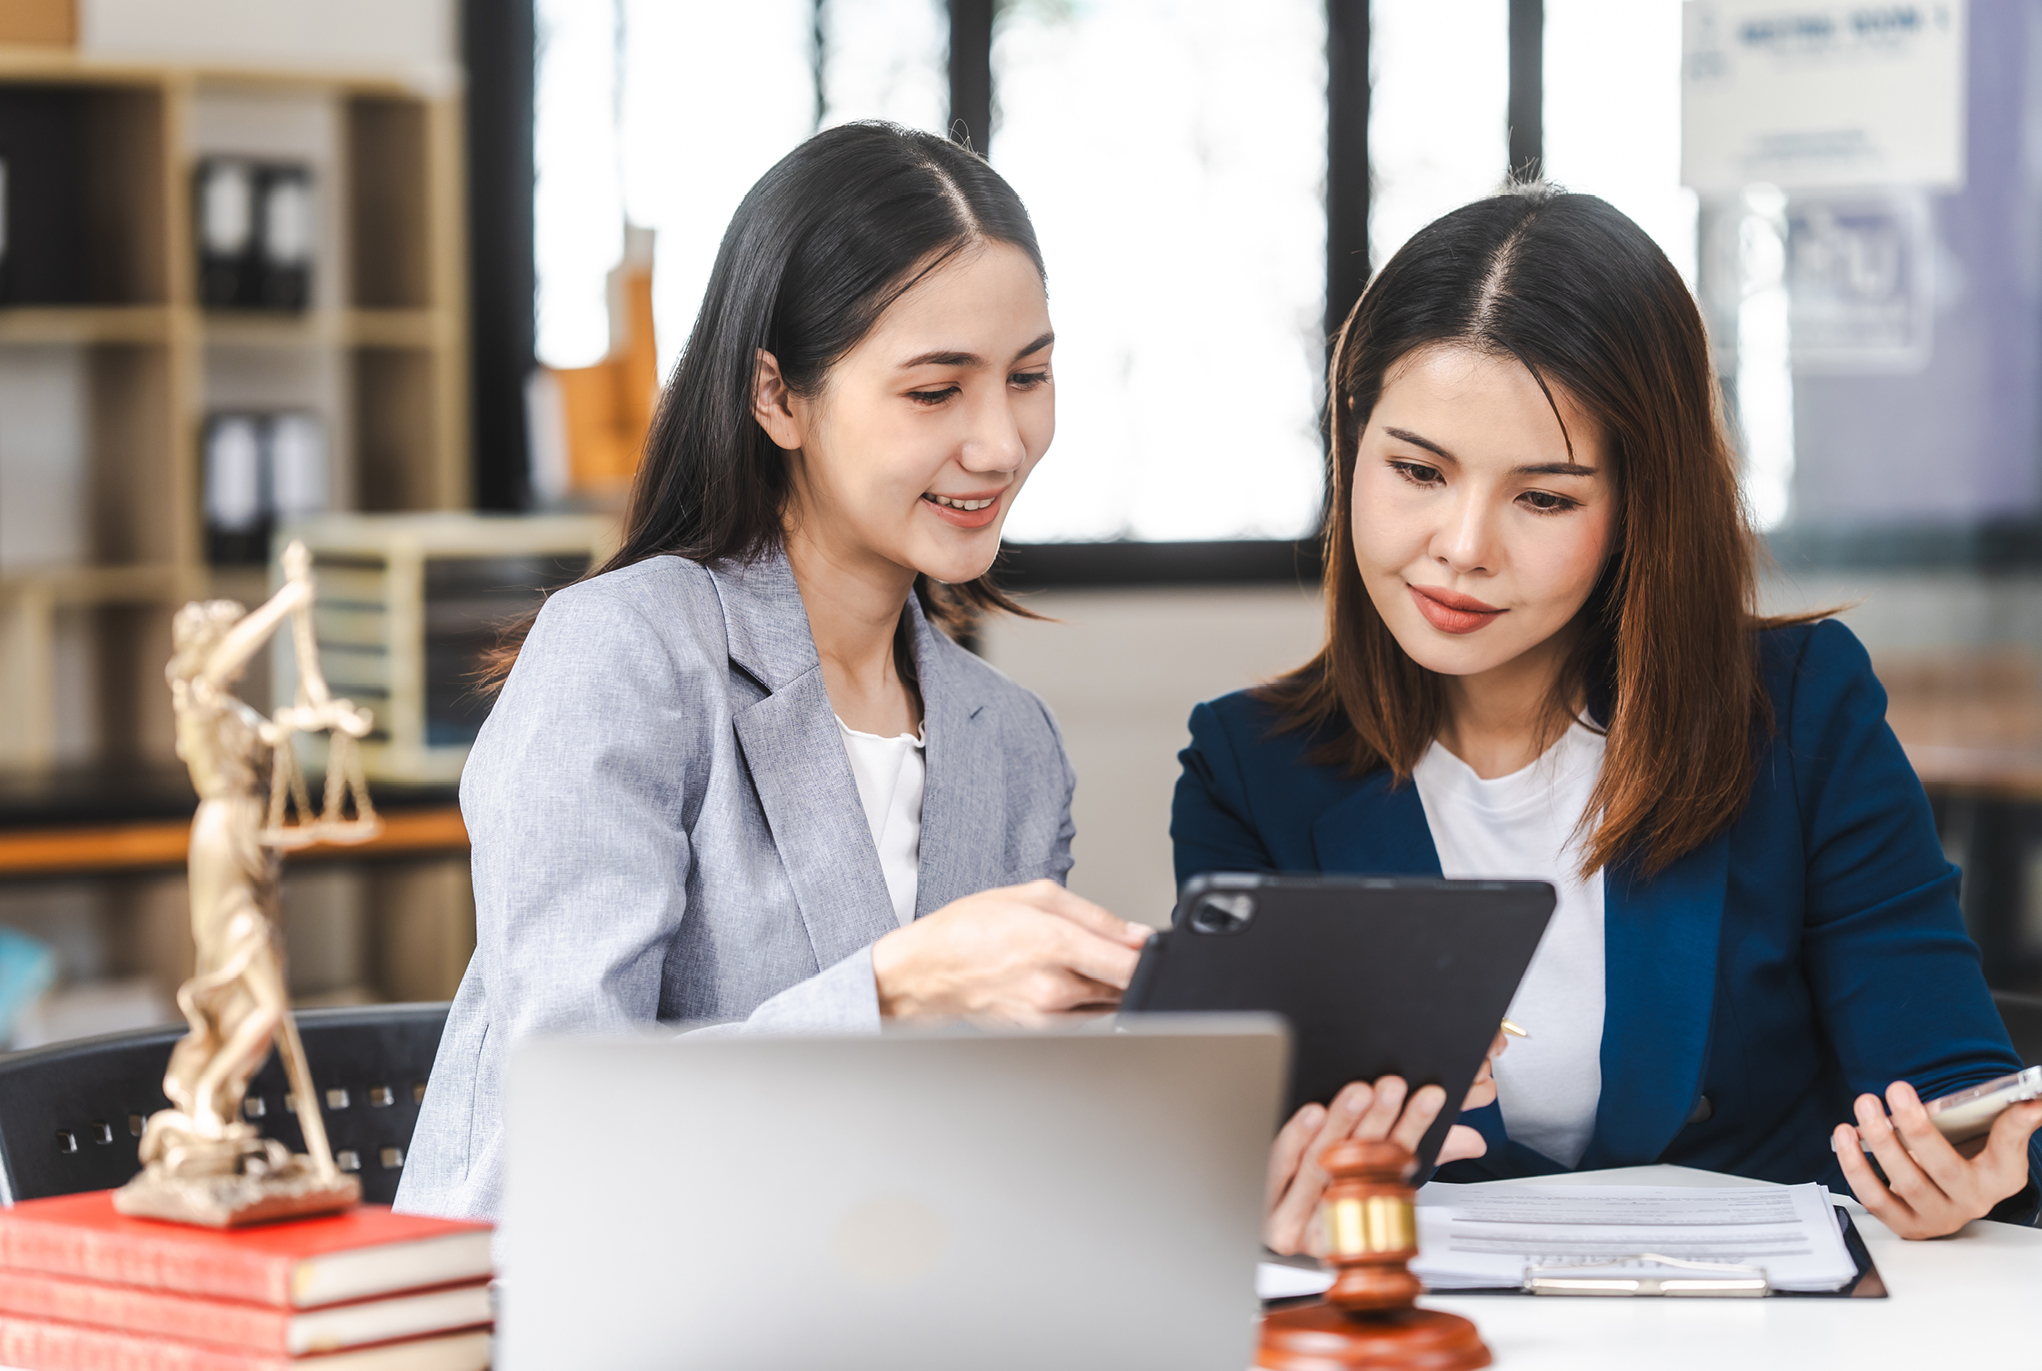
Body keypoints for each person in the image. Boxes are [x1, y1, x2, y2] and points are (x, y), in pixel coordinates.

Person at [398, 123, 1477, 1225]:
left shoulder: (1005, 739)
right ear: (777, 396)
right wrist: (900, 988)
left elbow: (990, 1167)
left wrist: (1260, 1136)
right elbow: (555, 1134)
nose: (1001, 443)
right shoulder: (624, 654)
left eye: (1028, 377)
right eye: (934, 391)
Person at [1175, 185, 2042, 1247]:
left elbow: (1951, 1083)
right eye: (1414, 471)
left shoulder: (1798, 708)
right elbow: (1253, 1140)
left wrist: (1963, 1172)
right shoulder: (1248, 768)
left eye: (1543, 497)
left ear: (1640, 505)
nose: (1460, 545)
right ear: (1348, 443)